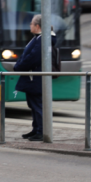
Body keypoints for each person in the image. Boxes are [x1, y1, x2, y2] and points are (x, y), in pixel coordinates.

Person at [14, 14, 57, 142]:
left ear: (38, 26)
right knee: (33, 104)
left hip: (36, 77)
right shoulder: (39, 38)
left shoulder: (43, 39)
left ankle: (41, 131)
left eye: (31, 24)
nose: (30, 26)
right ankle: (36, 129)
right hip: (33, 77)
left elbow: (33, 57)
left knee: (37, 104)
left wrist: (19, 66)